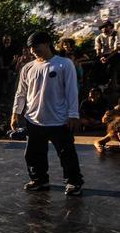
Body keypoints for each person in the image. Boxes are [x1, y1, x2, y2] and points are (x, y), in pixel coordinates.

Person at [11, 31, 83, 196]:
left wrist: (73, 115)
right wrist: (16, 113)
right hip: (34, 119)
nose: (33, 51)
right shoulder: (27, 68)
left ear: (47, 44)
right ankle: (39, 180)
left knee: (66, 154)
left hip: (59, 120)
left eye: (36, 47)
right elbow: (20, 93)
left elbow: (72, 90)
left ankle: (73, 182)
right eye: (31, 48)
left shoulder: (64, 64)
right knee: (33, 154)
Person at [93, 20, 120, 88]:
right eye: (102, 27)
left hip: (115, 54)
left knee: (111, 66)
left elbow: (117, 48)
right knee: (96, 65)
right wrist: (101, 57)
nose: (104, 29)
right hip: (104, 55)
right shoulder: (98, 37)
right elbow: (98, 49)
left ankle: (107, 82)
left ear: (110, 27)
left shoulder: (116, 34)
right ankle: (97, 83)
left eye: (106, 27)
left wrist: (107, 58)